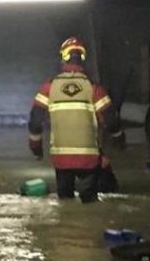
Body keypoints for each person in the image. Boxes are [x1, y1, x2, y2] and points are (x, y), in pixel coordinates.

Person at [28, 37, 124, 203]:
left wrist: (36, 148)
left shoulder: (48, 88)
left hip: (61, 158)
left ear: (63, 57)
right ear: (83, 59)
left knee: (65, 204)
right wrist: (120, 141)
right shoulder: (93, 88)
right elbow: (111, 120)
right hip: (89, 158)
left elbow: (35, 121)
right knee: (89, 205)